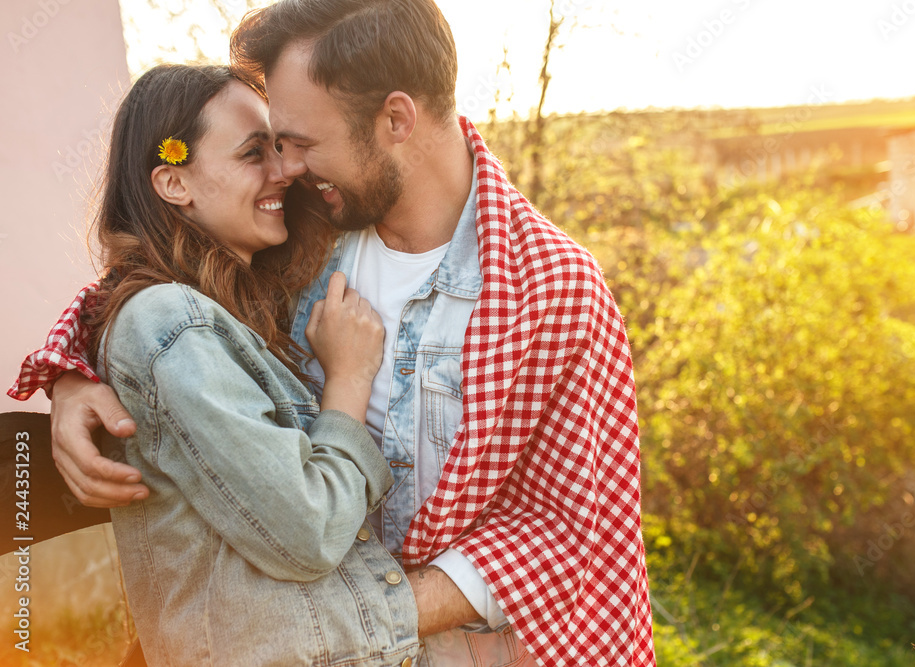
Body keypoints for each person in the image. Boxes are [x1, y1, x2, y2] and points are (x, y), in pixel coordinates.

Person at [10, 0, 655, 664]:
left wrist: (351, 617)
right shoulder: (297, 244)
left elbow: (572, 530)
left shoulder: (553, 289)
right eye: (270, 145)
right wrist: (71, 377)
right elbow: (151, 292)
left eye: (299, 142)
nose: (286, 168)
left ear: (395, 119)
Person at [58, 62, 421, 666]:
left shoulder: (239, 302)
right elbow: (307, 530)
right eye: (255, 153)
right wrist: (350, 379)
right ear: (175, 184)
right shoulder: (172, 322)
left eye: (280, 146)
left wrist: (64, 372)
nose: (285, 170)